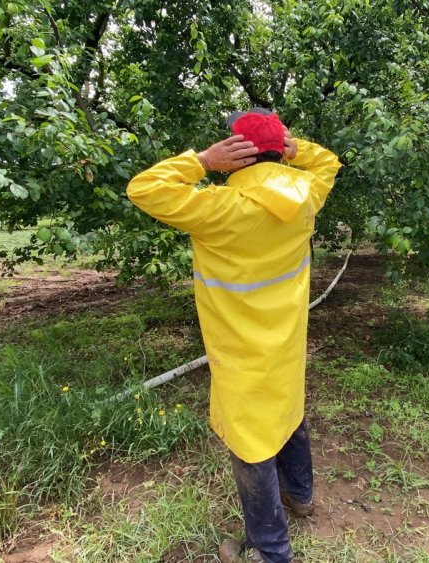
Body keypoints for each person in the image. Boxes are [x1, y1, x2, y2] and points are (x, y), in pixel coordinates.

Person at [126, 108, 341, 562]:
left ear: (237, 155)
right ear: (278, 152)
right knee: (288, 413)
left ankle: (270, 552)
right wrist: (298, 150)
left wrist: (202, 161)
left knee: (251, 447)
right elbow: (328, 164)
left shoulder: (216, 209)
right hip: (286, 345)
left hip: (241, 353)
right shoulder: (305, 195)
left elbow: (143, 188)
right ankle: (301, 496)